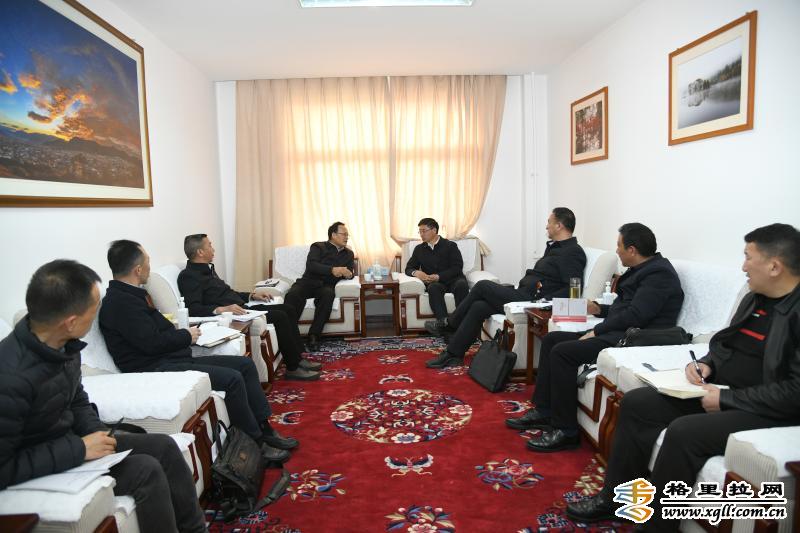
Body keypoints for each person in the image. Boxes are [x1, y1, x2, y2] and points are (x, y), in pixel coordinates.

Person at [566, 224, 800, 532]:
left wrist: (727, 399)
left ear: (774, 266)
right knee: (637, 403)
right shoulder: (755, 298)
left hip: (763, 408)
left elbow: (794, 392)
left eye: (748, 257)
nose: (743, 267)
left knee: (684, 432)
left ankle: (656, 528)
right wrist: (705, 364)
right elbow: (724, 346)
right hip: (723, 389)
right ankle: (617, 501)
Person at [0, 260, 207, 532]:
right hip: (48, 462)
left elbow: (77, 400)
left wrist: (97, 433)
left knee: (165, 448)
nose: (96, 313)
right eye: (93, 308)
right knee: (146, 470)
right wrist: (79, 449)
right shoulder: (10, 377)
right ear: (71, 322)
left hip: (72, 445)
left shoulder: (64, 345)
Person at [98, 240, 295, 462]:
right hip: (156, 368)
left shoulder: (131, 295)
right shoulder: (121, 304)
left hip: (170, 358)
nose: (149, 268)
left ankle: (265, 429)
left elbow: (151, 334)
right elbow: (151, 343)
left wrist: (181, 334)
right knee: (232, 379)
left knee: (245, 365)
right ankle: (256, 443)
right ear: (138, 269)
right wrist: (186, 335)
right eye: (148, 262)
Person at [507, 222, 684, 452]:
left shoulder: (659, 275)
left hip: (635, 339)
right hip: (621, 330)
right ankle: (544, 410)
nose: (617, 251)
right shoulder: (642, 269)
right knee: (552, 339)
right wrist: (598, 309)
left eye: (619, 246)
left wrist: (597, 331)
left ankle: (566, 431)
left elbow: (637, 316)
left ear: (632, 250)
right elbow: (626, 309)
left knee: (563, 353)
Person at [424, 207, 587, 368]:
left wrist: (544, 301)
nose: (546, 226)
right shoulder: (556, 248)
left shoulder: (572, 252)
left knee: (482, 286)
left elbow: (573, 289)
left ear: (559, 225)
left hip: (533, 300)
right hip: (523, 293)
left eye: (549, 222)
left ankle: (449, 323)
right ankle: (453, 355)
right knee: (479, 307)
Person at [177, 234, 321, 381]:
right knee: (280, 316)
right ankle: (293, 368)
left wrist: (252, 295)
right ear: (200, 252)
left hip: (241, 309)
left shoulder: (208, 269)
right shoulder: (188, 276)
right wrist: (222, 309)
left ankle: (298, 358)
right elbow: (193, 308)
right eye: (209, 245)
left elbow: (229, 293)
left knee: (288, 309)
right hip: (232, 316)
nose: (213, 249)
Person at [284, 222, 355, 352]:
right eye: (344, 234)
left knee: (328, 295)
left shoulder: (349, 254)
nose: (346, 237)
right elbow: (312, 265)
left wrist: (349, 274)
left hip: (326, 286)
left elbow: (350, 272)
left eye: (347, 235)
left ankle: (314, 336)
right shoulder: (318, 247)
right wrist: (332, 270)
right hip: (308, 282)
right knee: (292, 295)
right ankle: (290, 337)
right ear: (333, 235)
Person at [405, 218, 469, 329]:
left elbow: (457, 267)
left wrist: (439, 276)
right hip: (435, 283)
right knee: (433, 288)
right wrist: (416, 273)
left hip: (454, 279)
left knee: (462, 285)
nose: (421, 234)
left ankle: (463, 325)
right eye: (420, 231)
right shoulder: (419, 249)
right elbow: (409, 268)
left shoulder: (450, 246)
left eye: (424, 231)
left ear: (434, 230)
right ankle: (444, 325)